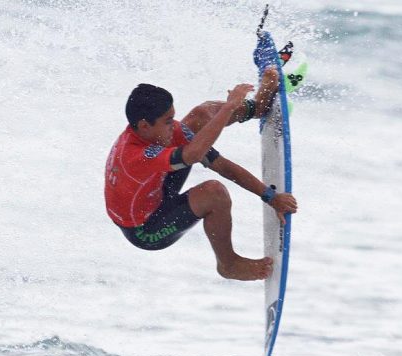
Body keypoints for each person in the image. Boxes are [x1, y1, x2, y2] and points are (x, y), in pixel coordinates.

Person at [104, 68, 298, 281]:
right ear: (144, 126)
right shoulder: (135, 156)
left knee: (201, 114)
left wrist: (270, 197)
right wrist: (229, 106)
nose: (173, 125)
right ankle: (229, 264)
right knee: (214, 193)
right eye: (168, 121)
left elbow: (219, 164)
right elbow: (193, 154)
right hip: (145, 229)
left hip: (154, 190)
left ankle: (256, 108)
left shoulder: (154, 134)